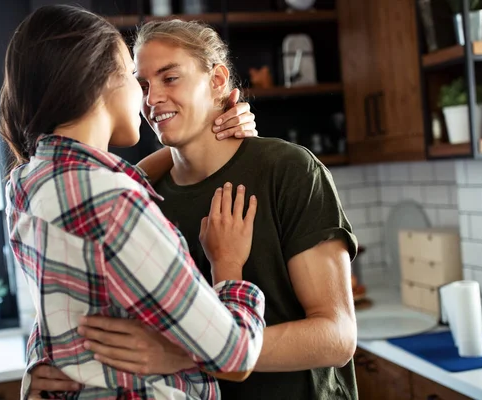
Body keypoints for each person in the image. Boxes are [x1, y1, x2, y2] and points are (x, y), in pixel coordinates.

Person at [30, 19, 360, 400]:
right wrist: (44, 364)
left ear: (218, 81)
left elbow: (337, 337)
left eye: (170, 78)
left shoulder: (288, 170)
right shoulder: (136, 198)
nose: (151, 98)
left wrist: (186, 354)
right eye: (142, 85)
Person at [0, 5, 268, 399]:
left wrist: (206, 129)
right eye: (133, 78)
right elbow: (236, 354)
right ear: (99, 82)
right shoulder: (112, 203)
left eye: (168, 78)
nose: (148, 98)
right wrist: (227, 263)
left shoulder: (27, 182)